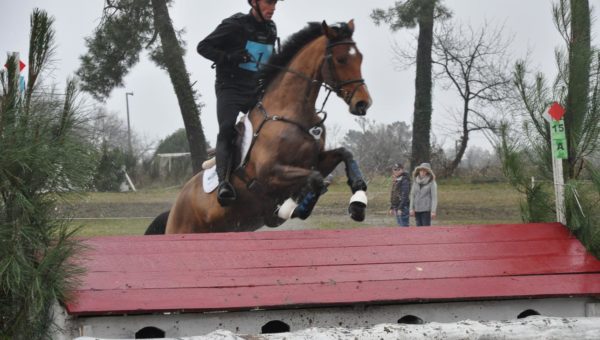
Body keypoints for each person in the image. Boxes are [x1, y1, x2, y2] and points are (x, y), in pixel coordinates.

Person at [197, 0, 280, 206]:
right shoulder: (234, 25)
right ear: (254, 2)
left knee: (274, 124)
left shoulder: (271, 28)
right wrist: (230, 57)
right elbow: (203, 47)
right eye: (269, 3)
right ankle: (224, 182)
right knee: (226, 128)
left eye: (275, 3)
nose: (273, 7)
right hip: (230, 88)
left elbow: (268, 58)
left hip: (255, 89)